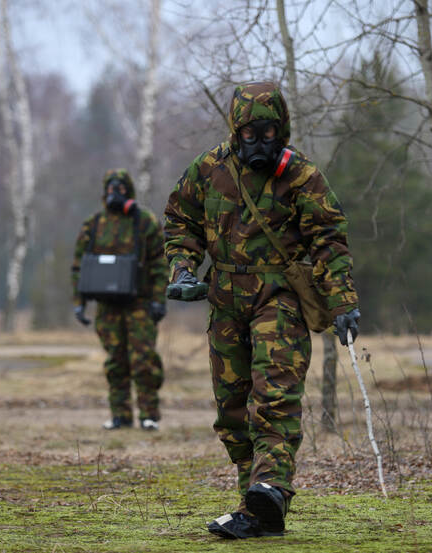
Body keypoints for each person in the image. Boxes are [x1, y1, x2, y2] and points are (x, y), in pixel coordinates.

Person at [163, 81, 360, 538]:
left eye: (268, 133)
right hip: (225, 300)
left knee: (273, 400)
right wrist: (182, 269)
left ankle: (270, 487)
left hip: (280, 299)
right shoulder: (209, 168)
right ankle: (255, 508)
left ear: (282, 128)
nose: (259, 143)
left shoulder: (302, 176)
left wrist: (343, 302)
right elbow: (180, 220)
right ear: (236, 131)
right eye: (249, 134)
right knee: (232, 409)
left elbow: (330, 240)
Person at [71, 169, 168, 431]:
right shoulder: (94, 224)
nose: (116, 192)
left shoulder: (144, 221)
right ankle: (120, 415)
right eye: (111, 187)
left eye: (121, 187)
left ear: (130, 190)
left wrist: (159, 299)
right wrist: (79, 302)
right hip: (108, 305)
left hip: (140, 304)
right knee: (116, 361)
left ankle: (149, 415)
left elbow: (160, 262)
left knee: (144, 360)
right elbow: (80, 265)